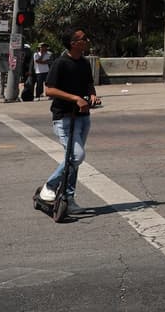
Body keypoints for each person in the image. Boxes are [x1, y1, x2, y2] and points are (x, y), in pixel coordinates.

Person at [38, 28, 101, 208]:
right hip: (64, 117)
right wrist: (75, 98)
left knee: (74, 160)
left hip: (83, 117)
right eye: (83, 38)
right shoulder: (60, 63)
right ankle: (50, 186)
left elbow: (89, 84)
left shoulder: (84, 63)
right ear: (73, 44)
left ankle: (68, 197)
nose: (87, 40)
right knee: (76, 156)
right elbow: (49, 90)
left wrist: (92, 95)